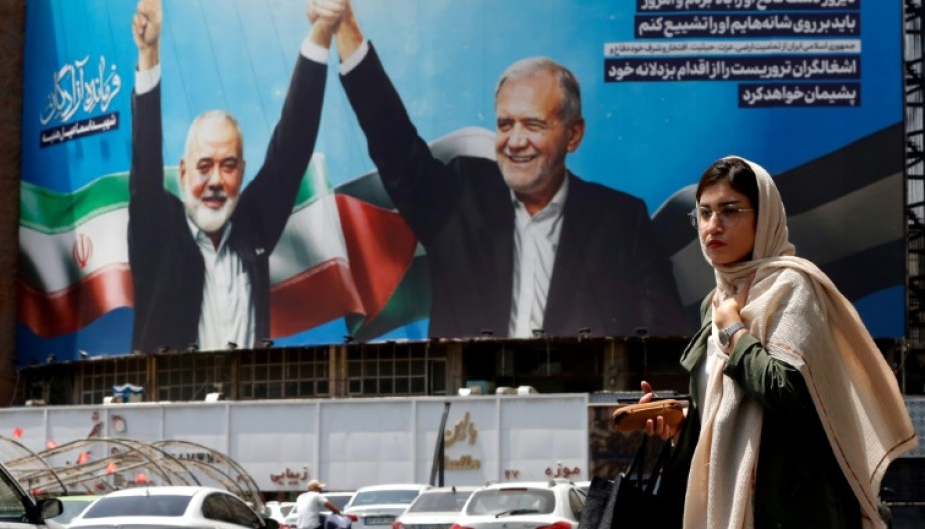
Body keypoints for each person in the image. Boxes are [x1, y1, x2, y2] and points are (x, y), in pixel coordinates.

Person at [307, 0, 689, 339]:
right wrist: (347, 30)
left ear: (573, 135)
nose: (515, 140)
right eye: (505, 124)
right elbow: (393, 142)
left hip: (579, 414)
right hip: (468, 416)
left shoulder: (620, 220)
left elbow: (664, 334)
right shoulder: (460, 196)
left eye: (533, 125)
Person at [639, 156, 917, 529]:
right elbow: (725, 412)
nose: (713, 226)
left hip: (791, 509)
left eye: (729, 211)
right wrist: (682, 426)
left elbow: (783, 390)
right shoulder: (717, 301)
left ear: (764, 215)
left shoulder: (792, 287)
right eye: (704, 213)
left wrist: (733, 332)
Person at [128, 0, 346, 352]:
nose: (216, 180)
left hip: (245, 404)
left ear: (241, 174)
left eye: (228, 166)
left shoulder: (252, 227)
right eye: (204, 166)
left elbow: (292, 148)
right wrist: (149, 53)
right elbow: (145, 159)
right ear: (183, 173)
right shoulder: (159, 229)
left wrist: (321, 31)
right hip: (172, 405)